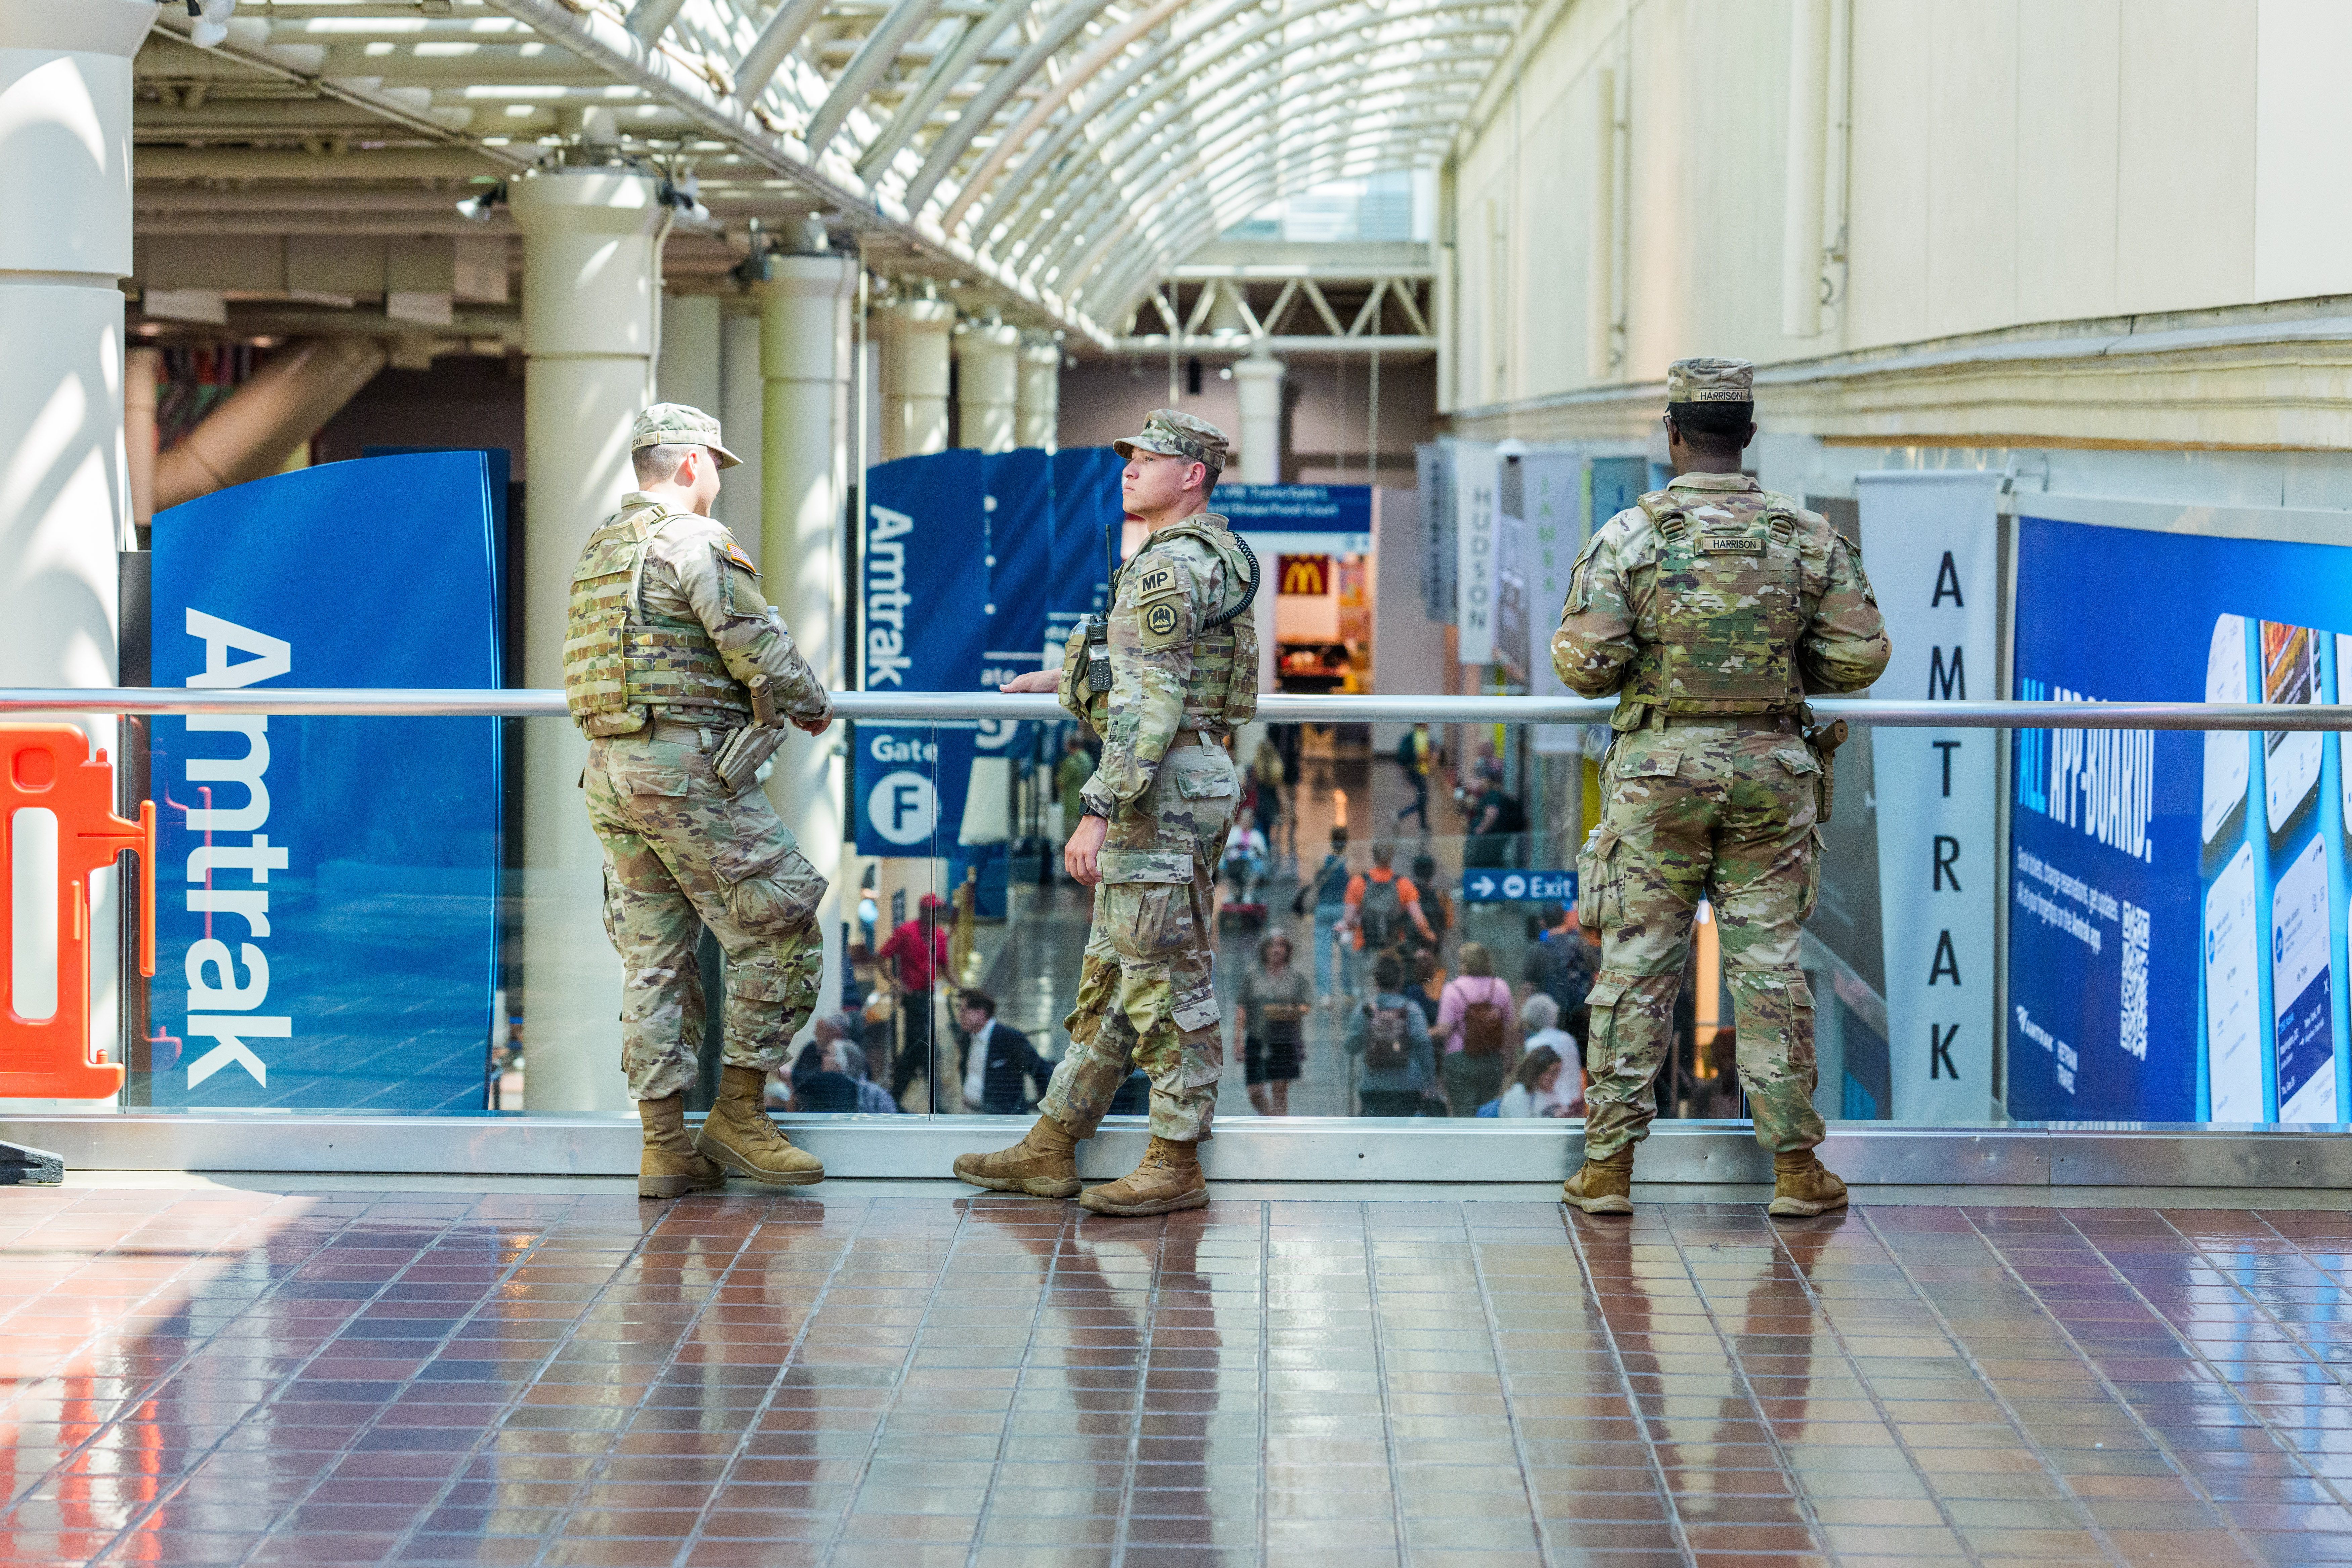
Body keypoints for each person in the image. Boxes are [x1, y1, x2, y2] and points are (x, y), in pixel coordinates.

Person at [1553, 356, 1890, 1218]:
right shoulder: (1804, 536)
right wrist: (1782, 663)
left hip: (1658, 776)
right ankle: (1794, 1170)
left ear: (1672, 435)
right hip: (1771, 773)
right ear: (1746, 434)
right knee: (1769, 969)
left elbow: (1584, 668)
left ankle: (1608, 1170)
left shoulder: (1630, 537)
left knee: (1634, 969)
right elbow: (1860, 658)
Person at [954, 410, 1258, 1216]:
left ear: (1193, 475)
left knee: (1163, 978)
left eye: (1151, 459)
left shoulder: (1169, 568)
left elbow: (1150, 709)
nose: (1129, 469)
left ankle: (1175, 1158)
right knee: (1119, 975)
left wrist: (1096, 810)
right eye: (1128, 457)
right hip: (1173, 777)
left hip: (1154, 788)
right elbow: (1158, 675)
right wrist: (1056, 684)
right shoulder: (1195, 555)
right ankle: (1054, 1141)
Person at [565, 403, 832, 1199]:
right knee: (783, 925)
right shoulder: (692, 539)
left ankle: (663, 1148)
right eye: (715, 464)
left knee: (654, 955)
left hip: (609, 770)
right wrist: (809, 701)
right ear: (689, 465)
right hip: (682, 770)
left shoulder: (602, 548)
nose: (717, 479)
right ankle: (740, 1117)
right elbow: (751, 640)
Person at [878, 892, 949, 1104]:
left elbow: (945, 967)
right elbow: (881, 957)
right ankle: (930, 1101)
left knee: (919, 1046)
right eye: (933, 911)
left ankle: (898, 1097)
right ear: (924, 912)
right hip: (914, 998)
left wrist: (960, 988)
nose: (936, 915)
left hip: (928, 996)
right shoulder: (907, 932)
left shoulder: (939, 935)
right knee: (924, 1045)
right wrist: (896, 984)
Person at [1433, 941, 1517, 1118]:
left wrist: (1427, 1032)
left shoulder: (1453, 988)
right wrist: (1510, 1058)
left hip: (1460, 1059)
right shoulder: (1500, 987)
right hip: (1492, 1059)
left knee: (1463, 1115)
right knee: (1488, 1114)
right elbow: (1509, 1028)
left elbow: (1445, 1030)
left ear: (1465, 963)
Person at [1346, 954, 1435, 1116]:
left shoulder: (1365, 1009)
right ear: (1400, 981)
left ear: (1376, 981)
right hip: (1409, 1084)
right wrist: (1430, 1083)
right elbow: (1424, 1045)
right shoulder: (1412, 1009)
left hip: (1372, 1085)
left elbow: (1352, 1046)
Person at [1236, 929, 1312, 1117]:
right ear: (1265, 949)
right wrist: (1237, 1041)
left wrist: (1290, 1012)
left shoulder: (1296, 976)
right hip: (1256, 1037)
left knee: (1279, 1093)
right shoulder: (1253, 975)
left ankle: (1277, 1135)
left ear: (1287, 949)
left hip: (1283, 1039)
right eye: (1272, 945)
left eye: (1281, 945)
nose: (1277, 950)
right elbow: (1242, 1007)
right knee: (1255, 1091)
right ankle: (1270, 1119)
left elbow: (1306, 1005)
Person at [956, 990, 1053, 1116]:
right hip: (972, 1114)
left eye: (964, 1011)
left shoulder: (1009, 1038)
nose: (960, 1016)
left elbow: (1041, 1071)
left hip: (1003, 1119)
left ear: (981, 1012)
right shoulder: (967, 1038)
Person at [1343, 842, 1434, 964]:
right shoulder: (1403, 884)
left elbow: (1349, 920)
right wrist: (1429, 934)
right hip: (1394, 951)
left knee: (1364, 983)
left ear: (1374, 856)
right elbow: (1420, 921)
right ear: (1392, 857)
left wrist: (1357, 926)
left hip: (1365, 949)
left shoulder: (1358, 883)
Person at [1298, 827, 1352, 1004]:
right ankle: (1348, 990)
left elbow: (1310, 882)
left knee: (1323, 954)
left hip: (1323, 911)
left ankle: (1325, 995)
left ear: (1331, 841)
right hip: (1343, 911)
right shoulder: (1350, 864)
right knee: (1346, 952)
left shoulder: (1321, 861)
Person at [1522, 901, 1594, 1025]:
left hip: (1548, 1019)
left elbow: (1528, 989)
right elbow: (1595, 978)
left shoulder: (1538, 951)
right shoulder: (1582, 946)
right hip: (1580, 1017)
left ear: (1542, 923)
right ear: (1565, 920)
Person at [1461, 762, 1528, 869]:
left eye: (1481, 779)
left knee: (1482, 864)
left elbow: (1492, 813)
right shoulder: (1498, 795)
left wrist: (1481, 829)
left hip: (1489, 840)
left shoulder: (1493, 794)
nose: (1479, 782)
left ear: (1487, 780)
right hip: (1494, 840)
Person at [1499, 1043, 1581, 1118]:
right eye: (1553, 1073)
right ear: (1538, 1072)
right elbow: (1523, 1130)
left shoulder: (1546, 1092)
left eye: (1558, 1073)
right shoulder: (1519, 1093)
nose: (1556, 1078)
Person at [1404, 850, 1451, 962]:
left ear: (1415, 872)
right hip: (1434, 952)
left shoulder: (1408, 895)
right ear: (1433, 872)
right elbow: (1449, 923)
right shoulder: (1442, 896)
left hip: (1412, 953)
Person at [1052, 729, 1095, 849]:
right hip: (1086, 805)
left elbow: (1061, 783)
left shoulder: (1070, 762)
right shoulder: (1088, 759)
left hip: (1072, 806)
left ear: (1070, 745)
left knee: (1072, 841)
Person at [1393, 722, 1435, 832]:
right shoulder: (1421, 736)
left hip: (1415, 771)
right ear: (1422, 724)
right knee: (1423, 800)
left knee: (1423, 798)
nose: (1429, 725)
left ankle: (1423, 825)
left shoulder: (1414, 735)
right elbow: (1421, 756)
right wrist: (1432, 759)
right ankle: (1399, 815)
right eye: (1427, 723)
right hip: (1419, 771)